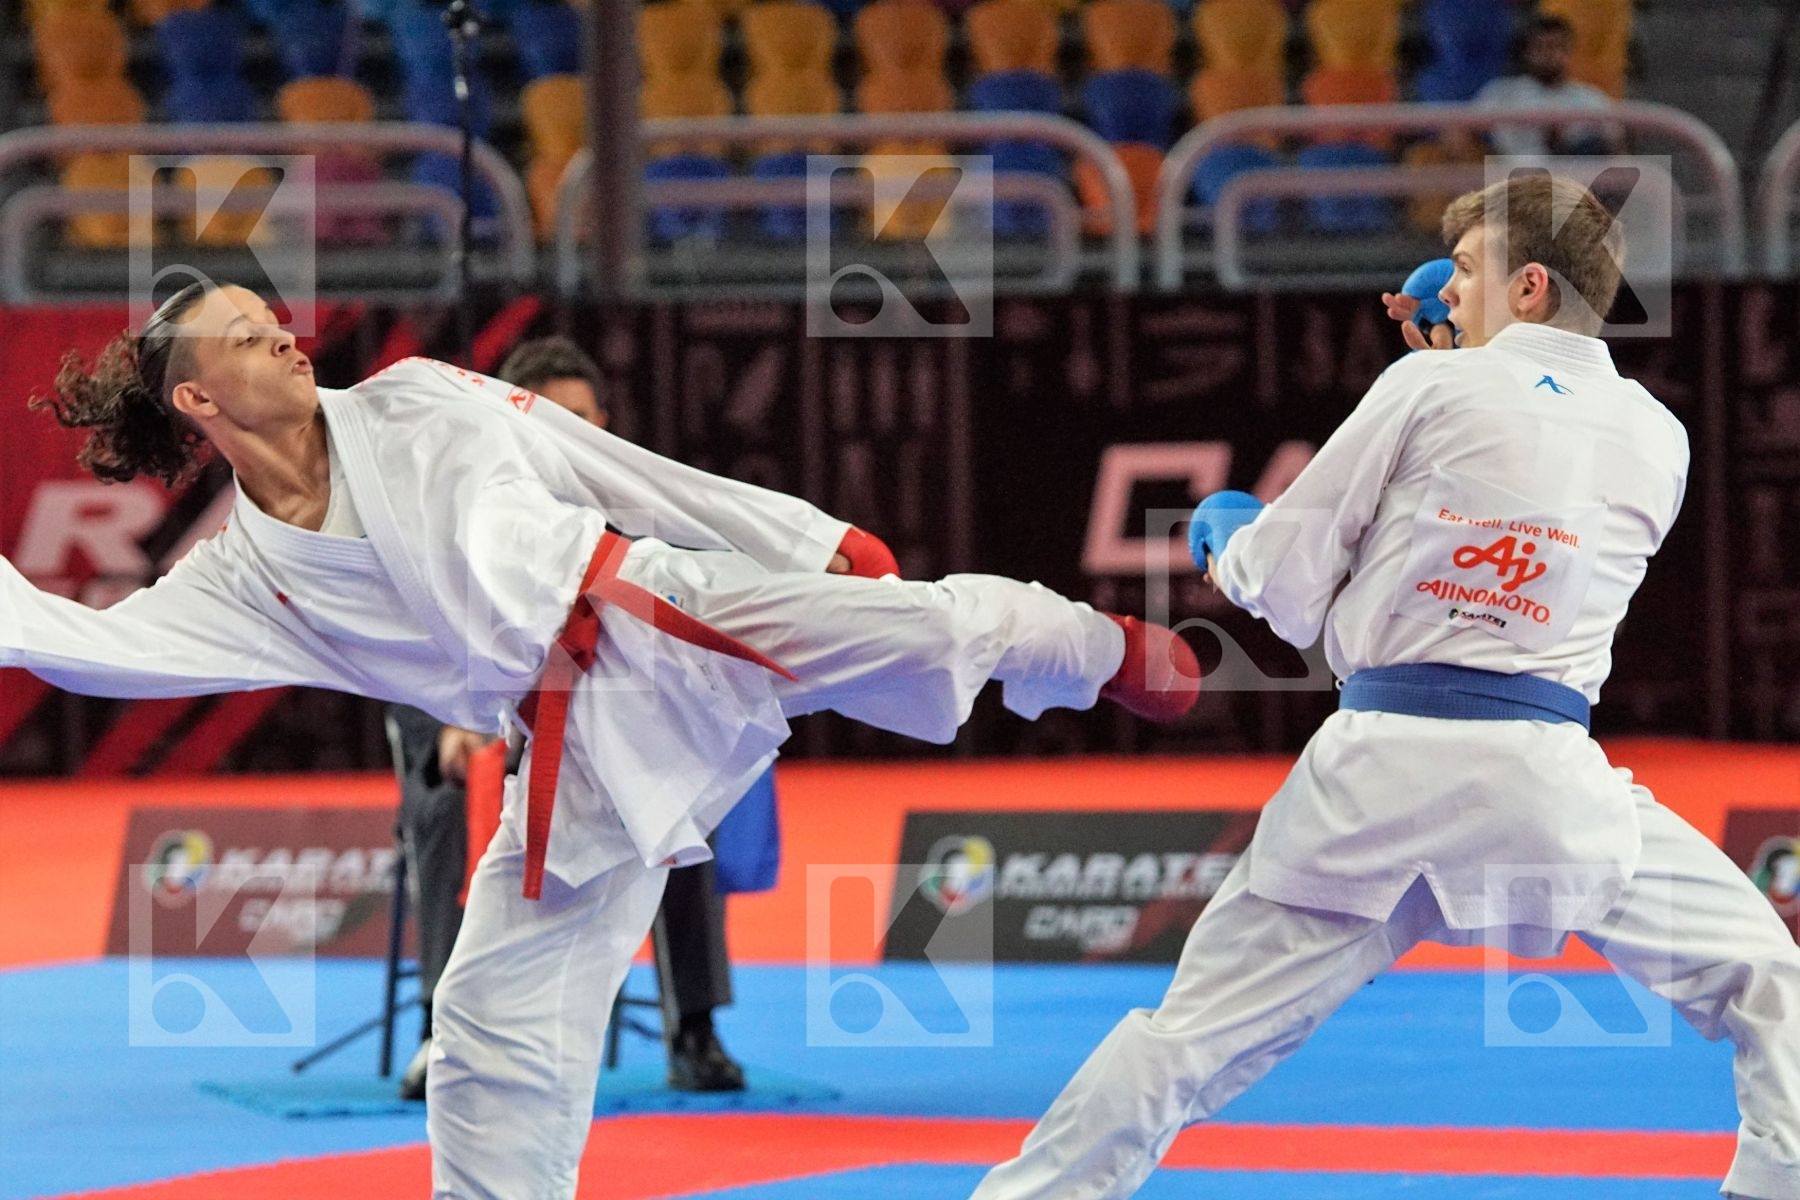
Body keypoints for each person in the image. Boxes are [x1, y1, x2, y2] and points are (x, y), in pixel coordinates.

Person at [3, 282, 1198, 1199]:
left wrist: (805, 532)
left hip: (656, 607)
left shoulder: (418, 397)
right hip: (569, 738)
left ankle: (1086, 647)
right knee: (484, 1012)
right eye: (245, 335)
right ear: (197, 400)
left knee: (914, 629)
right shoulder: (244, 582)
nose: (284, 337)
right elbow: (87, 644)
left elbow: (607, 463)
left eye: (277, 318)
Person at [969, 175, 1800, 1200]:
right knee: (1769, 972)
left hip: (1376, 788)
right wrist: (1469, 359)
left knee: (1189, 1041)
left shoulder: (1427, 388)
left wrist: (1229, 538)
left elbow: (1288, 586)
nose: (1444, 293)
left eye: (1463, 271)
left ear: (1529, 284)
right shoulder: (1658, 436)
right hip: (1548, 792)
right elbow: (1525, 480)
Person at [389, 334, 755, 1098]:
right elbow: (417, 645)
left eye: (584, 420)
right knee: (446, 804)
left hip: (612, 733)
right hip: (492, 737)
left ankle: (696, 1027)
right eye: (552, 422)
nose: (573, 439)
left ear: (607, 423)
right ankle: (441, 1030)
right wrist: (456, 723)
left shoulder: (644, 516)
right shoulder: (458, 521)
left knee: (680, 802)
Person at [1471, 14, 1622, 158]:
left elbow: (1616, 146)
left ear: (1569, 52)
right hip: (1512, 177)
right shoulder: (1502, 92)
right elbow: (1461, 134)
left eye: (1556, 47)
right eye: (1540, 47)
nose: (1548, 54)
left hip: (1573, 179)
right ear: (1527, 52)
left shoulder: (1591, 99)